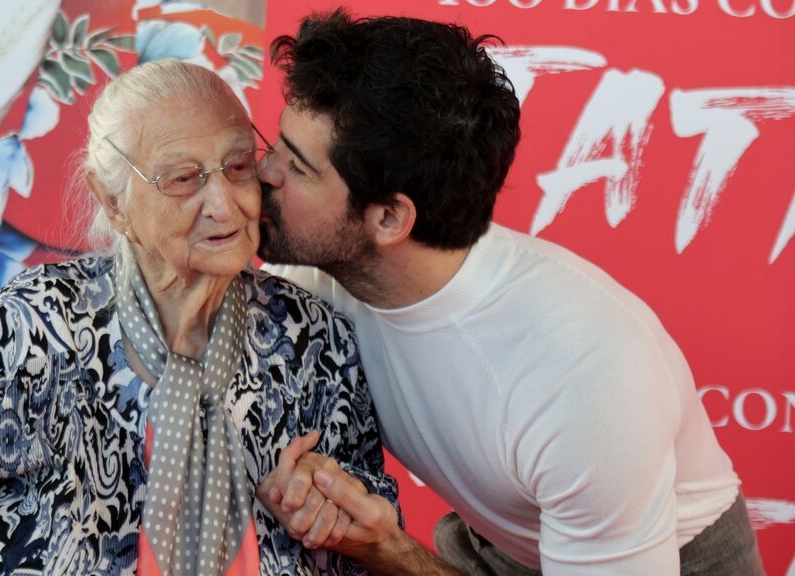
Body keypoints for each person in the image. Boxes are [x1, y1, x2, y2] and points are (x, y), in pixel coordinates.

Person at [0, 59, 398, 575]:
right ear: (114, 201)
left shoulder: (314, 340)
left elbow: (370, 529)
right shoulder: (28, 334)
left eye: (239, 165)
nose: (225, 204)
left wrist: (328, 503)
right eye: (183, 178)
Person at [255, 9, 764, 576]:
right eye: (274, 143)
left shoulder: (581, 377)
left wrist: (388, 549)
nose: (260, 173)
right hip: (500, 541)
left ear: (390, 218)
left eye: (296, 167)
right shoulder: (321, 280)